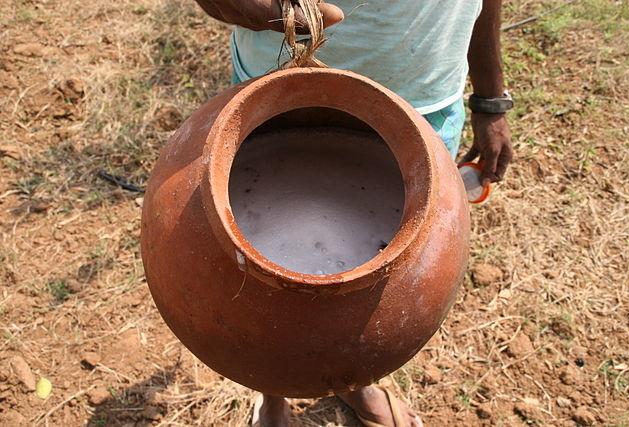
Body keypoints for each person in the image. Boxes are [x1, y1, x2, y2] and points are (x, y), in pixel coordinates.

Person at [193, 1, 513, 425]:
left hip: (426, 95)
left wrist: (490, 97)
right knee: (258, 285)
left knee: (376, 289)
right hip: (277, 83)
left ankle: (352, 377)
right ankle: (271, 389)